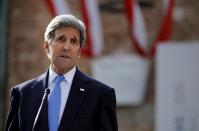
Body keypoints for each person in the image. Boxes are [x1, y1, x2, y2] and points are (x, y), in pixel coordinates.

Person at [5, 14, 118, 131]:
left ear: (79, 51)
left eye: (73, 41)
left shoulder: (101, 95)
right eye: (61, 39)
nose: (67, 47)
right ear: (47, 46)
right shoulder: (23, 94)